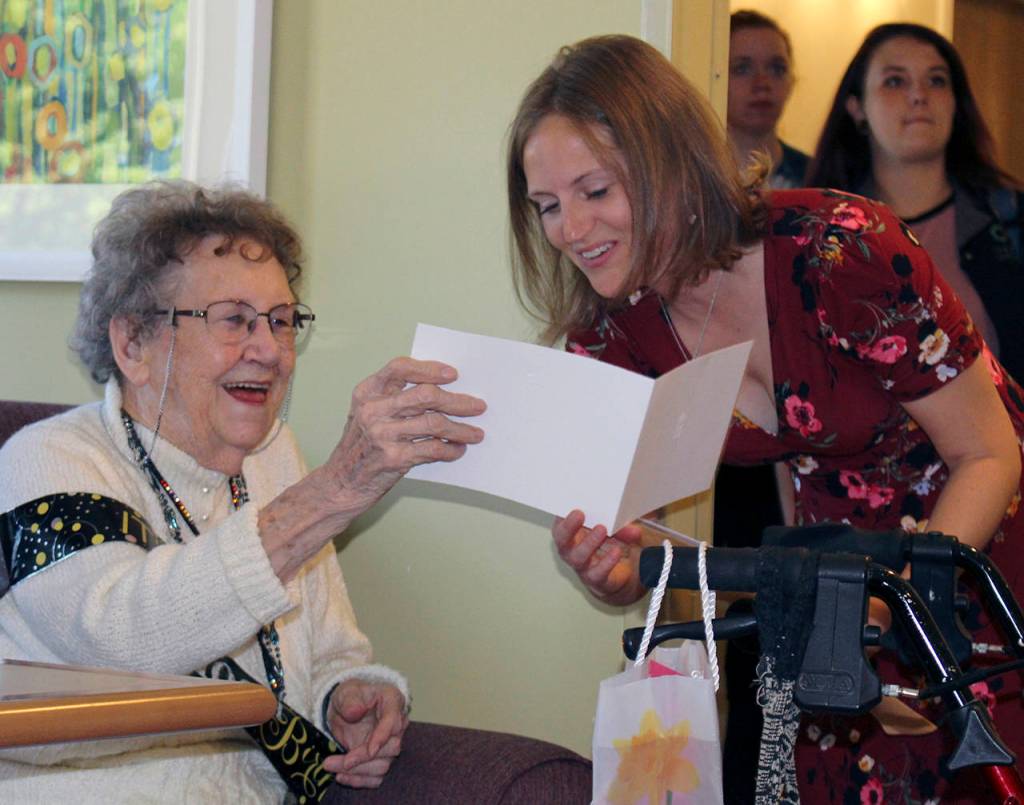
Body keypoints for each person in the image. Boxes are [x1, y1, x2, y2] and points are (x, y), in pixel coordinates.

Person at [507, 34, 1024, 804]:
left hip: (981, 543)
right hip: (834, 589)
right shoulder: (612, 337)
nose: (571, 231)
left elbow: (991, 454)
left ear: (669, 163)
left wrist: (884, 613)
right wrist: (616, 564)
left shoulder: (842, 248)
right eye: (547, 206)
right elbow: (637, 552)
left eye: (595, 191)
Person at [0, 181, 486, 803]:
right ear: (133, 344)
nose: (270, 351)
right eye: (233, 320)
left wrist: (350, 695)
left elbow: (332, 649)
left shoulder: (274, 458)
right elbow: (119, 641)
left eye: (282, 322)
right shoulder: (51, 459)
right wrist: (334, 490)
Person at [807, 22, 1024, 383]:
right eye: (895, 81)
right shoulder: (818, 233)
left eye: (936, 80)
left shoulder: (1012, 219)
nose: (919, 95)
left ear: (957, 103)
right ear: (857, 107)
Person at [727, 9, 809, 189]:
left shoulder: (816, 176)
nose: (762, 83)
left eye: (777, 69)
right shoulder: (694, 175)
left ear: (792, 82)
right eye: (742, 69)